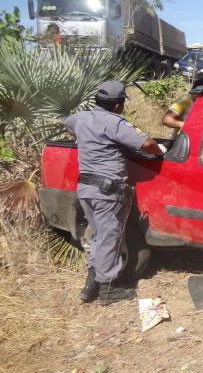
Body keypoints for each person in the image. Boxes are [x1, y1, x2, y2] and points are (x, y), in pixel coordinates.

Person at [64, 81, 163, 305]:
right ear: (118, 105)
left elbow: (67, 124)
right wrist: (158, 150)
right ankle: (108, 290)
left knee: (98, 236)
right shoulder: (115, 123)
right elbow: (147, 143)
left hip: (86, 188)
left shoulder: (80, 118)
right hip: (108, 190)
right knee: (110, 238)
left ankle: (91, 286)